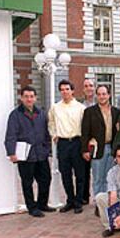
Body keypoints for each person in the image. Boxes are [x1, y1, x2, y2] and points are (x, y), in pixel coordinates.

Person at [4, 86, 55, 217]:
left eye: (31, 96)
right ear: (21, 98)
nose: (29, 99)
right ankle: (32, 207)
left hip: (41, 154)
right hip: (25, 155)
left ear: (35, 98)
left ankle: (42, 204)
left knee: (46, 179)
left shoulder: (41, 113)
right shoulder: (15, 115)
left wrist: (47, 148)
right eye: (26, 96)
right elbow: (11, 135)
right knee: (27, 182)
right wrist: (11, 152)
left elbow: (46, 133)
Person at [81, 85, 120, 216]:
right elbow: (85, 132)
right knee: (98, 179)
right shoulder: (90, 112)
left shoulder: (116, 112)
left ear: (109, 95)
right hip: (98, 148)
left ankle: (108, 203)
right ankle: (99, 205)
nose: (102, 96)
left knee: (110, 178)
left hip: (112, 148)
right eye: (99, 94)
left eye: (104, 94)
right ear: (96, 96)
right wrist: (85, 150)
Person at [48, 80, 86, 214]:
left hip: (77, 142)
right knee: (65, 174)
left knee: (80, 174)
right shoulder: (55, 107)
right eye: (62, 89)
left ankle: (78, 201)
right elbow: (51, 122)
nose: (65, 92)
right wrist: (54, 134)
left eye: (67, 89)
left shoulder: (80, 108)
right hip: (63, 144)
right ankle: (70, 200)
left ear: (72, 91)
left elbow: (85, 126)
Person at [79, 78, 96, 205]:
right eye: (86, 86)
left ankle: (99, 197)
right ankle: (84, 196)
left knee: (98, 171)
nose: (89, 88)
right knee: (84, 171)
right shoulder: (79, 106)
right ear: (83, 89)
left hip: (97, 142)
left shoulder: (102, 103)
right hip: (84, 141)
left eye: (91, 85)